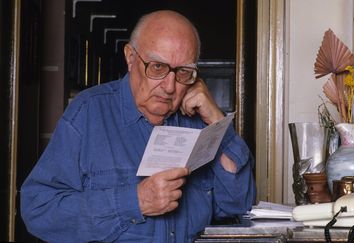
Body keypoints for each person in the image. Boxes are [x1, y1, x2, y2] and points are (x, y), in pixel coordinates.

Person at [21, 10, 256, 242]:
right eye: (157, 67)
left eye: (183, 71)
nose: (170, 86)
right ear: (130, 58)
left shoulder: (199, 121)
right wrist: (135, 201)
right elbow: (39, 211)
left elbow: (239, 206)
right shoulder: (88, 112)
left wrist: (217, 121)